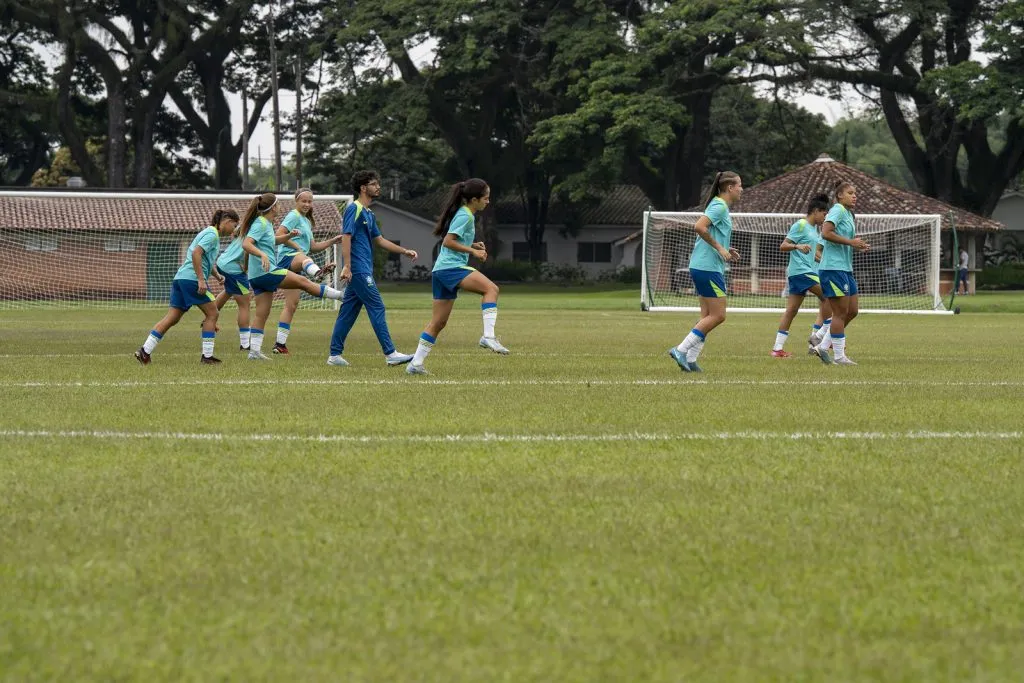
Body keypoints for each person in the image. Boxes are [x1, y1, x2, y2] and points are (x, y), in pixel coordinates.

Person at [406, 178, 507, 375]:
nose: (488, 202)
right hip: (451, 268)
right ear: (474, 199)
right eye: (486, 198)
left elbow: (455, 240)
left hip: (441, 270)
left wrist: (473, 244)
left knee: (438, 323)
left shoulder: (466, 213)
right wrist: (473, 252)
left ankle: (415, 364)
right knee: (491, 289)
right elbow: (448, 242)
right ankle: (488, 336)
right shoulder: (466, 215)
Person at [327, 170, 419, 367]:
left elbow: (380, 240)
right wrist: (347, 266)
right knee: (377, 306)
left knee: (348, 311)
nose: (378, 187)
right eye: (374, 184)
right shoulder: (354, 209)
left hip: (362, 269)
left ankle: (334, 355)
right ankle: (390, 353)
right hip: (358, 269)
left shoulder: (369, 213)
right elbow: (346, 236)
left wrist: (404, 251)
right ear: (363, 188)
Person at [240, 193, 347, 360]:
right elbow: (246, 243)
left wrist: (288, 237)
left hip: (256, 276)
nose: (280, 207)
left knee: (262, 313)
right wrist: (262, 255)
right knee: (303, 282)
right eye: (278, 204)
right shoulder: (262, 223)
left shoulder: (266, 223)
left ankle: (254, 352)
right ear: (273, 207)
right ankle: (342, 296)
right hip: (267, 271)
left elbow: (272, 241)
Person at [135, 210, 239, 365]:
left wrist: (217, 276)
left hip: (181, 278)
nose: (234, 230)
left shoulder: (209, 234)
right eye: (235, 225)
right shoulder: (212, 235)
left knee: (172, 318)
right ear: (226, 221)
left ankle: (145, 351)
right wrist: (201, 280)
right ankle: (207, 357)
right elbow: (196, 254)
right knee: (213, 313)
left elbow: (205, 260)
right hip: (191, 280)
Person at [668, 171, 742, 373]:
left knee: (706, 316)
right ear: (730, 188)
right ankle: (680, 350)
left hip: (704, 265)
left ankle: (690, 360)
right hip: (707, 267)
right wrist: (719, 248)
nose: (741, 189)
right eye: (739, 185)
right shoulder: (719, 206)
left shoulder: (719, 206)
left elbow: (711, 232)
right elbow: (699, 227)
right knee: (718, 316)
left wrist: (727, 247)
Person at [272, 188, 344, 354]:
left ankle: (279, 345)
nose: (307, 204)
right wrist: (293, 242)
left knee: (291, 305)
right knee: (305, 259)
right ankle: (318, 273)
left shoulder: (306, 221)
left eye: (310, 201)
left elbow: (313, 247)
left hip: (299, 263)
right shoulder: (293, 215)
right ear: (296, 201)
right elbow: (278, 234)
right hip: (287, 258)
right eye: (303, 201)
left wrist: (333, 240)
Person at [813, 181, 871, 366]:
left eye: (855, 193)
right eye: (850, 193)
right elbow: (826, 233)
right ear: (839, 196)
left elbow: (843, 239)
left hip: (845, 268)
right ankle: (838, 356)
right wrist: (851, 242)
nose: (854, 196)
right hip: (833, 268)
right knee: (839, 313)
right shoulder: (837, 210)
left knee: (852, 311)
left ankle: (821, 342)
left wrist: (857, 245)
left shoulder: (847, 213)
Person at [771, 194, 832, 357]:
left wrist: (826, 261)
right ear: (816, 211)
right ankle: (819, 338)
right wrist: (797, 246)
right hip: (802, 272)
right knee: (829, 296)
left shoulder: (813, 230)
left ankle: (777, 349)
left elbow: (813, 254)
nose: (825, 218)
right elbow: (783, 245)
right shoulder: (801, 225)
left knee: (791, 310)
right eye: (824, 214)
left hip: (803, 272)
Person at [211, 210, 251, 351]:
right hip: (232, 268)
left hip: (223, 262)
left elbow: (236, 233)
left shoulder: (245, 226)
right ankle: (245, 344)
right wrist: (245, 268)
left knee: (228, 291)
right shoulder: (257, 227)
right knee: (245, 303)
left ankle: (208, 317)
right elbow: (247, 250)